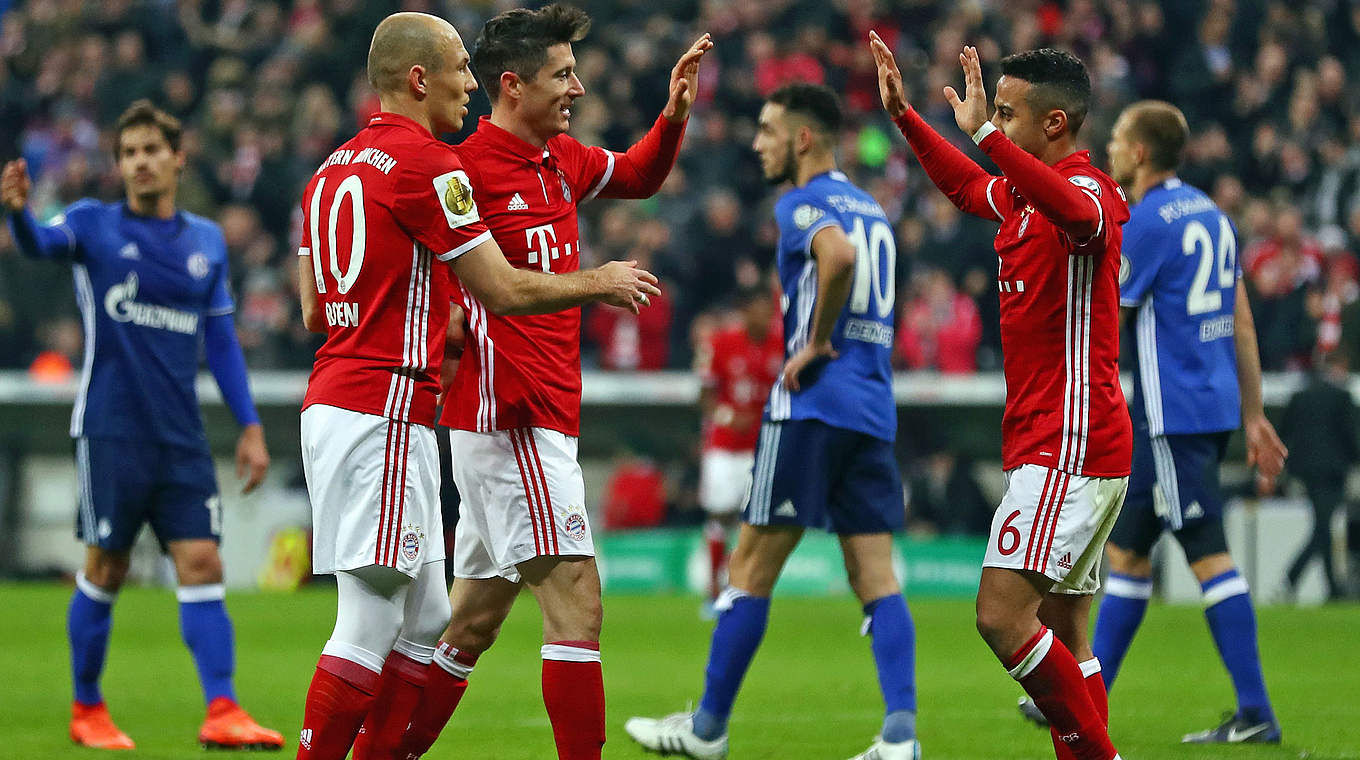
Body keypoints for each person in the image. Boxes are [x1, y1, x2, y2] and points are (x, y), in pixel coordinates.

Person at [292, 12, 662, 760]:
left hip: (346, 395)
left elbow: (309, 305)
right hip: (386, 404)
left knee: (432, 620)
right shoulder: (433, 168)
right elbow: (499, 290)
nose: (471, 81)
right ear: (420, 78)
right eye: (461, 67)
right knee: (369, 623)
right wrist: (600, 280)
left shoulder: (335, 166)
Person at [391, 6, 710, 760]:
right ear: (512, 85)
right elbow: (467, 280)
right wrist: (593, 281)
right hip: (512, 415)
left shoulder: (558, 158)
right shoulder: (464, 171)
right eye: (563, 74)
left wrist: (671, 116)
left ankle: (386, 751)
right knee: (578, 604)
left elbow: (636, 174)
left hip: (532, 416)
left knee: (472, 622)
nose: (578, 86)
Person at [625, 82, 921, 760]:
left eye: (767, 130)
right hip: (872, 409)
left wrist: (816, 342)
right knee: (876, 577)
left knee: (749, 570)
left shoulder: (802, 203)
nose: (757, 143)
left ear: (804, 138)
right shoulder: (872, 207)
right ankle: (900, 733)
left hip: (812, 407)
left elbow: (836, 258)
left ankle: (706, 728)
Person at [873, 35, 1131, 760]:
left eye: (1008, 114)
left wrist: (984, 135)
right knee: (1069, 630)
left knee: (1000, 617)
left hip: (1069, 446)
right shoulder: (1022, 196)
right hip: (1065, 444)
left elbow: (1077, 219)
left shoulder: (1087, 193)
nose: (993, 125)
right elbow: (965, 187)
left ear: (1055, 123)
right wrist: (906, 118)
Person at [2, 101, 281, 750]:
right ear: (118, 164)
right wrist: (16, 211)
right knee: (106, 568)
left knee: (203, 560)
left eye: (151, 149)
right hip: (111, 431)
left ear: (177, 157)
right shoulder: (92, 226)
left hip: (180, 434)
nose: (140, 162)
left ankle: (222, 708)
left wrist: (250, 426)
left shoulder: (206, 241)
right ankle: (86, 708)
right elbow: (41, 244)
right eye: (128, 153)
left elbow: (222, 343)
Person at [1035, 99, 1289, 746]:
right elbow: (1242, 320)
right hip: (1210, 409)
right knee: (1126, 556)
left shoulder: (1144, 222)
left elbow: (1104, 317)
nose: (1112, 148)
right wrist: (1254, 415)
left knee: (1208, 557)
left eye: (1119, 138)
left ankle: (1256, 711)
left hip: (1169, 418)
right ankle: (1081, 703)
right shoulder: (1215, 215)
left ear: (1141, 151)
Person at [695, 284, 783, 609]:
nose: (764, 318)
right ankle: (712, 589)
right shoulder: (722, 342)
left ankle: (741, 585)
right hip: (725, 445)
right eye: (757, 311)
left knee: (755, 520)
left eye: (768, 312)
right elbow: (705, 395)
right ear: (745, 312)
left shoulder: (782, 345)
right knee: (719, 513)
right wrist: (727, 416)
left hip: (762, 448)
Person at [1281, 348, 1358, 601]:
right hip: (1333, 472)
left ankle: (1333, 590)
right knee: (1323, 528)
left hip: (1306, 471)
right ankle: (1292, 576)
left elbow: (1285, 431)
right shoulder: (1342, 397)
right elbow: (1351, 436)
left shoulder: (1301, 395)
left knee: (1322, 525)